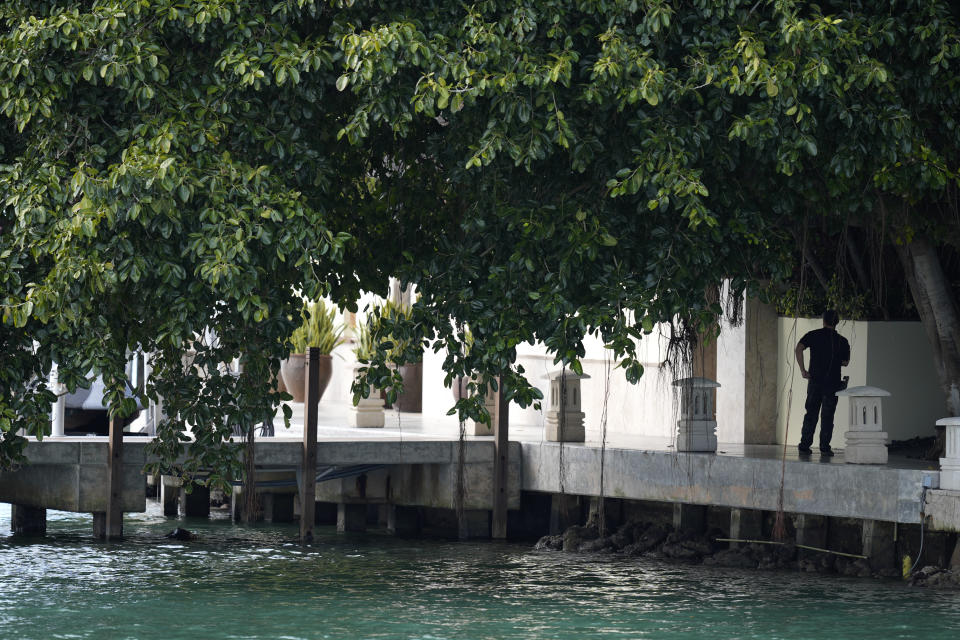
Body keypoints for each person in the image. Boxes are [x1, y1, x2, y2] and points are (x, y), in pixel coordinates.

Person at [794, 309, 850, 457]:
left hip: (815, 382)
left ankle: (804, 446)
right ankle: (825, 448)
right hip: (832, 384)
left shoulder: (813, 335)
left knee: (811, 414)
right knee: (828, 416)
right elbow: (845, 362)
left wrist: (803, 370)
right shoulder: (842, 341)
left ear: (823, 321)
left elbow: (798, 348)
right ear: (837, 322)